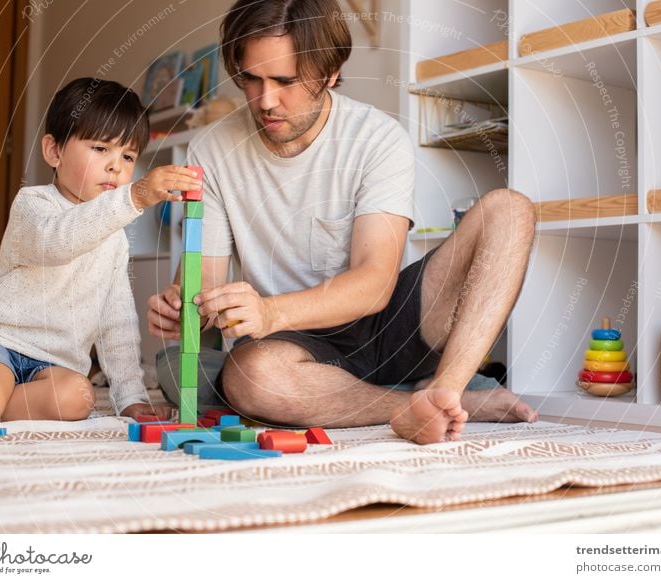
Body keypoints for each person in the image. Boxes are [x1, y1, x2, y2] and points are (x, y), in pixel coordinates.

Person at [148, 0, 538, 444]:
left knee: (509, 209)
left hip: (388, 320)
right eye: (251, 79)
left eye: (285, 81)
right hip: (290, 341)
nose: (266, 100)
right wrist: (185, 308)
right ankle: (421, 405)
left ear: (330, 72)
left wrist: (270, 309)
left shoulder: (377, 137)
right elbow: (207, 283)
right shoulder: (212, 149)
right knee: (249, 378)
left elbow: (374, 284)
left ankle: (446, 388)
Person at [0, 77, 201, 425]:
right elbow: (58, 242)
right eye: (101, 148)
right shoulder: (34, 205)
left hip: (51, 363)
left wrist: (130, 398)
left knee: (79, 399)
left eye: (128, 155)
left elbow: (116, 321)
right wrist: (133, 197)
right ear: (54, 151)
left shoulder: (115, 238)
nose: (115, 166)